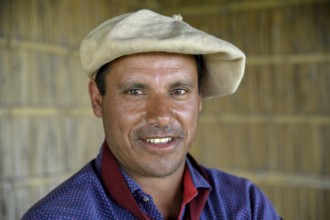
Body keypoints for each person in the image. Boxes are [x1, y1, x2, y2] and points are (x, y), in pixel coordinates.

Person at [23, 9, 281, 219]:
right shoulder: (58, 216)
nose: (161, 116)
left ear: (198, 98)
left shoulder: (244, 205)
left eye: (179, 90)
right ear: (97, 99)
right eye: (135, 91)